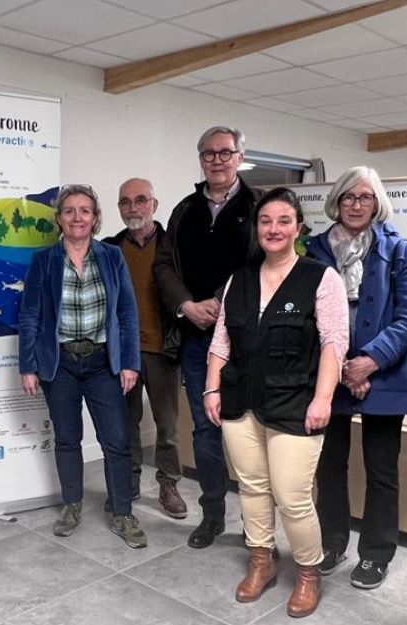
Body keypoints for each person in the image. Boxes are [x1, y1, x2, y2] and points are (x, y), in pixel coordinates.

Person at [204, 188, 349, 618]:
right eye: (266, 221)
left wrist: (324, 398)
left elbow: (333, 343)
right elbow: (221, 339)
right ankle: (261, 561)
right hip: (239, 402)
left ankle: (308, 572)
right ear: (257, 227)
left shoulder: (321, 278)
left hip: (296, 403)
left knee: (292, 496)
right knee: (252, 488)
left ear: (298, 228)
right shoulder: (239, 279)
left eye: (284, 221)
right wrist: (211, 387)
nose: (274, 229)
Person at [304, 166, 407, 590]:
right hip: (328, 376)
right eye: (349, 197)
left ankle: (375, 553)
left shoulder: (400, 251)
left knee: (381, 469)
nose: (356, 205)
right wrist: (341, 369)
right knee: (330, 466)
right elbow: (306, 316)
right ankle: (332, 542)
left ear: (378, 203)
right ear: (336, 201)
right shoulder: (313, 251)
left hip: (385, 374)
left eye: (366, 197)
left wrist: (368, 362)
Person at [19, 184, 147, 549]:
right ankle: (71, 505)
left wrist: (129, 363)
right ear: (59, 218)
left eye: (85, 211)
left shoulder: (111, 256)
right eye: (70, 210)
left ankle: (122, 511)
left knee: (116, 441)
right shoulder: (44, 261)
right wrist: (28, 365)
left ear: (95, 218)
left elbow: (126, 312)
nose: (78, 217)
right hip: (59, 363)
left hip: (102, 363)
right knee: (67, 439)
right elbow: (30, 315)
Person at [154, 125, 261, 548]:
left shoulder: (258, 207)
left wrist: (221, 300)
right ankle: (213, 515)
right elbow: (163, 267)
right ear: (201, 159)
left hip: (247, 339)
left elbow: (266, 262)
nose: (216, 160)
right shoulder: (184, 210)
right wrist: (187, 305)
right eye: (208, 154)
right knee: (205, 428)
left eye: (224, 152)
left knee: (252, 429)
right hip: (197, 338)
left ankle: (257, 524)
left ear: (239, 157)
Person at [105, 177, 187, 518]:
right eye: (125, 202)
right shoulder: (109, 250)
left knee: (167, 427)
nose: (133, 208)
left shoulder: (175, 248)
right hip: (122, 354)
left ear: (154, 204)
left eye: (140, 200)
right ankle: (130, 481)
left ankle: (169, 484)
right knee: (126, 425)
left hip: (163, 350)